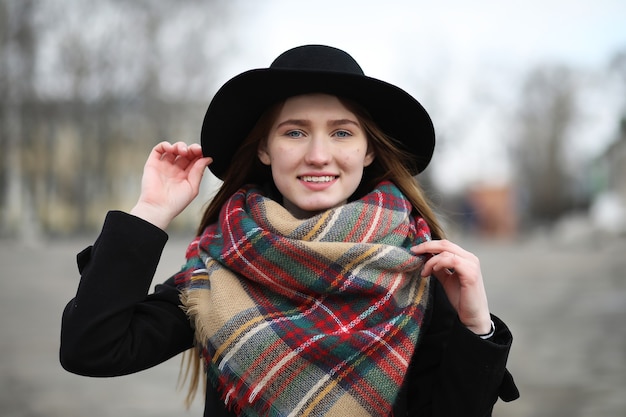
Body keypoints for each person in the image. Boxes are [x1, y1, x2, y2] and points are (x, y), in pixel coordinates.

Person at [60, 45, 519, 416]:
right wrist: (150, 212)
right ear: (264, 149)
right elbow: (92, 348)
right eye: (295, 132)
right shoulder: (217, 270)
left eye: (341, 133)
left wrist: (476, 329)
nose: (318, 154)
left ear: (368, 152)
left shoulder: (419, 270)